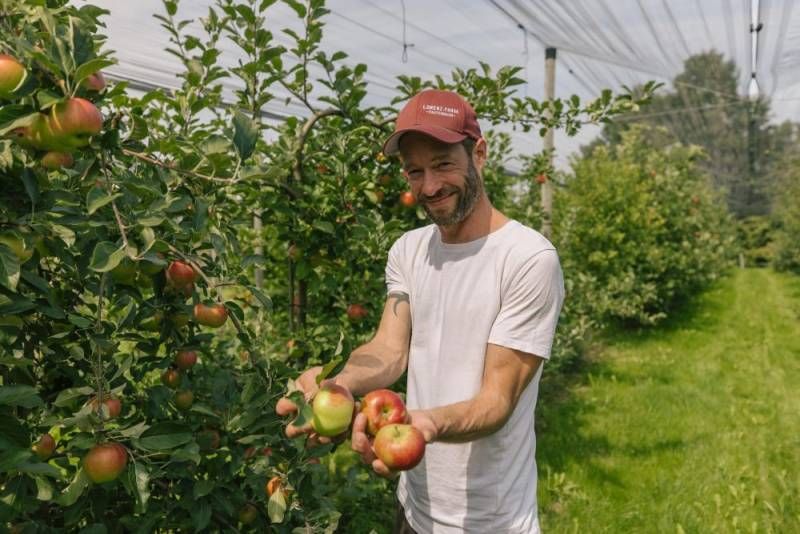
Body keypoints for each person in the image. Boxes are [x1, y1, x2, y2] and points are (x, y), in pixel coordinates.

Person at [276, 89, 565, 533]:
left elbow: (497, 400)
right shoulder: (408, 250)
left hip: (491, 520)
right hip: (414, 507)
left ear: (479, 154)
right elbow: (389, 349)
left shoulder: (527, 258)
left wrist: (424, 424)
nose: (429, 186)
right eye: (415, 171)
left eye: (444, 164)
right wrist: (340, 382)